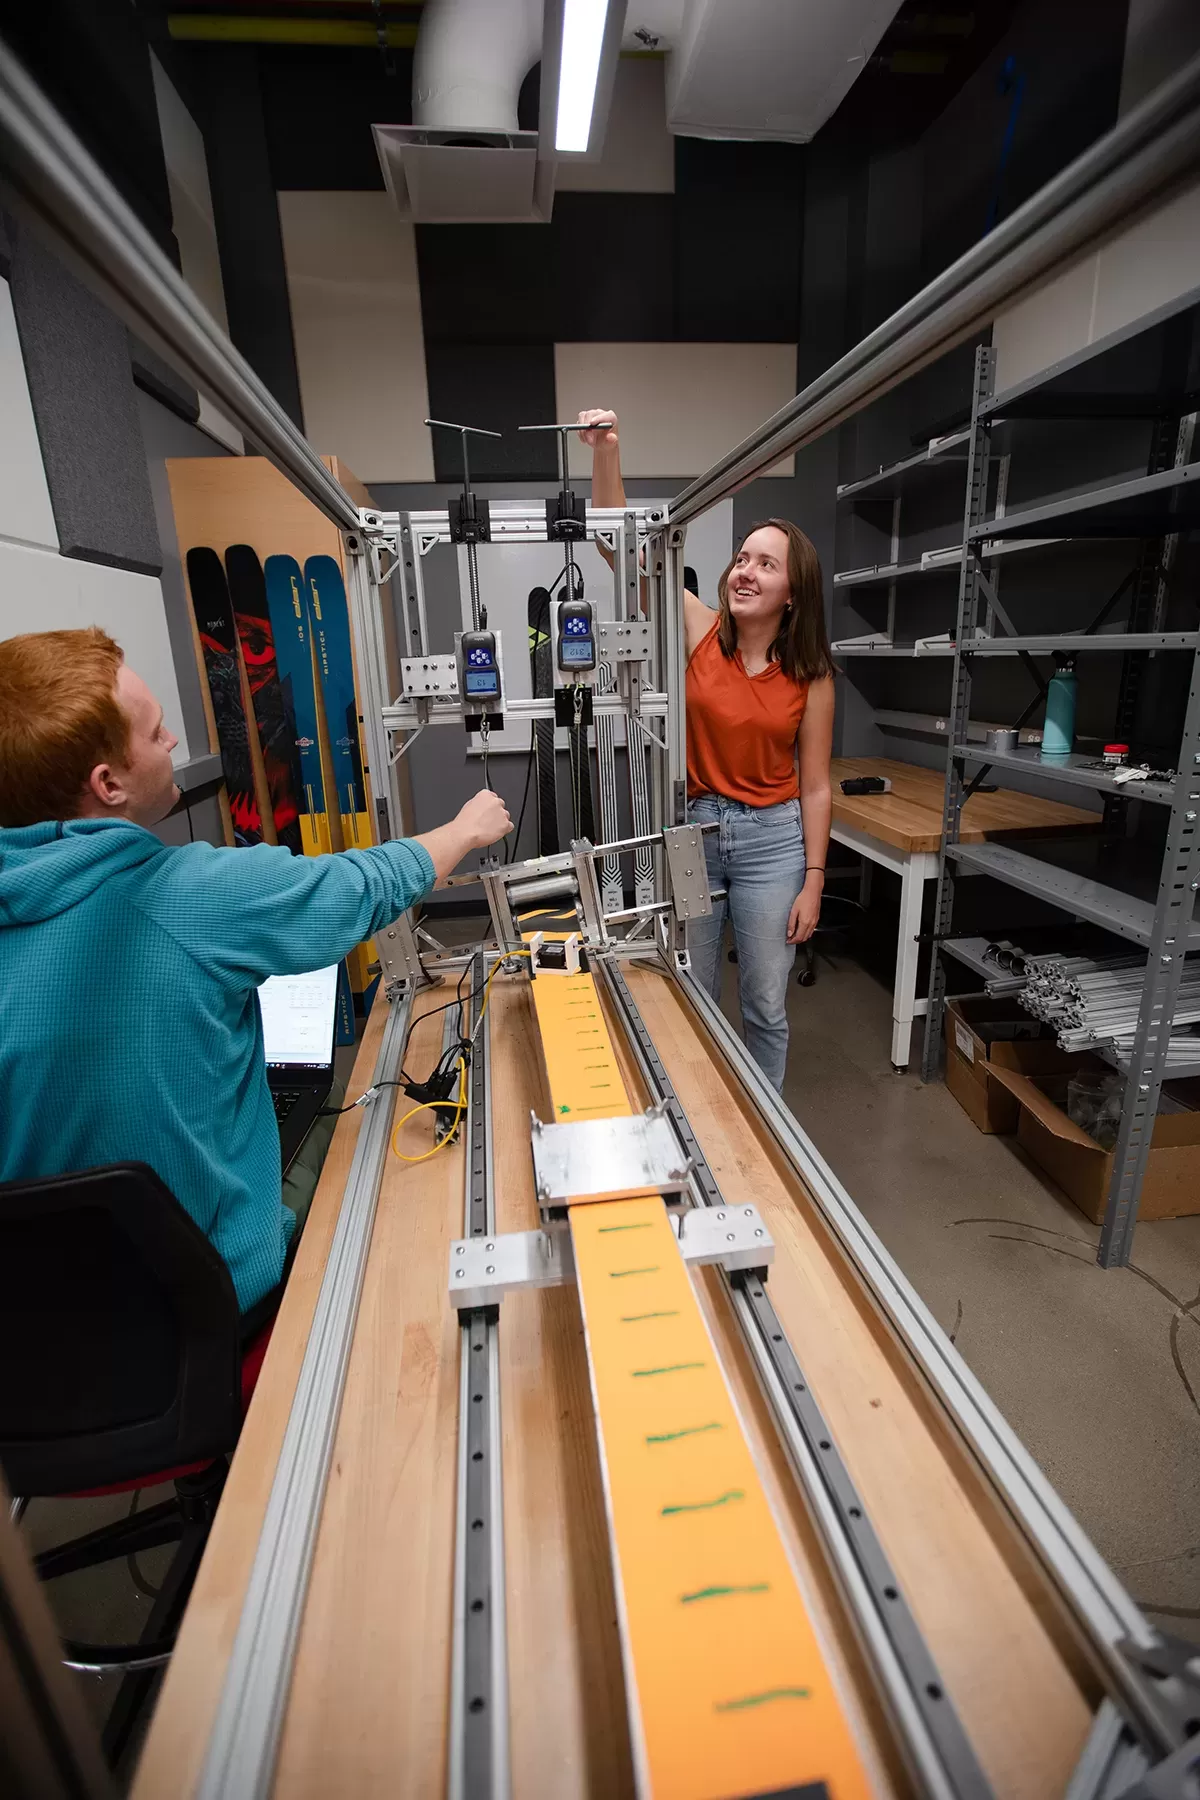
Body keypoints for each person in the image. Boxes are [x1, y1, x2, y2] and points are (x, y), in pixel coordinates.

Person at [0, 626, 511, 1315]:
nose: (175, 743)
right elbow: (356, 887)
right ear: (108, 784)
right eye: (155, 735)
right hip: (209, 1305)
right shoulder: (183, 892)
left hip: (43, 1330)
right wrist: (464, 829)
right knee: (356, 1119)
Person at [581, 408, 835, 1092]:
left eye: (766, 564)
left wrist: (813, 879)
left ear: (793, 591)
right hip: (696, 833)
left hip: (774, 844)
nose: (745, 572)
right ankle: (699, 1119)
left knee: (765, 1003)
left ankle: (765, 1128)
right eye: (743, 558)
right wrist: (608, 452)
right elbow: (620, 551)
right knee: (692, 991)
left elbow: (815, 785)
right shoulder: (700, 629)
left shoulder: (810, 673)